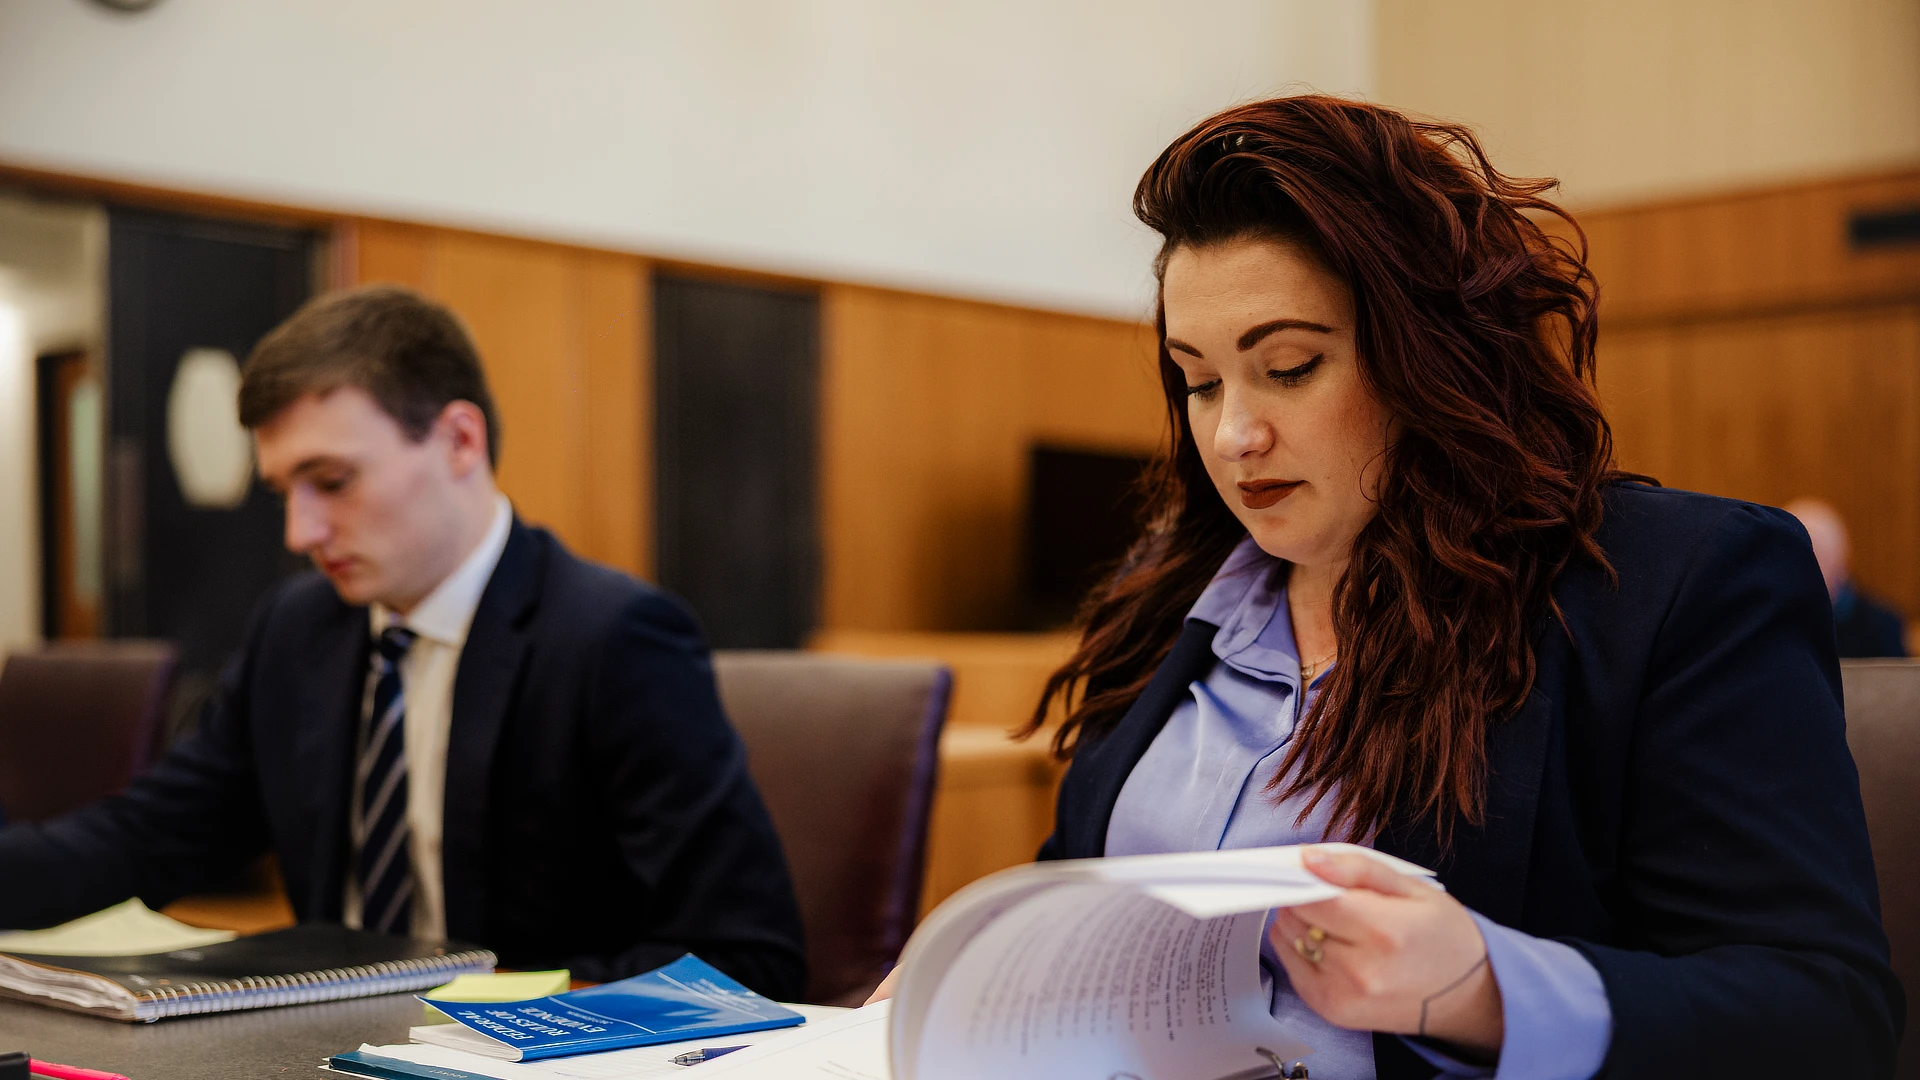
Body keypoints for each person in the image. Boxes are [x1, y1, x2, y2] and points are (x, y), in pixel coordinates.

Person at [875, 98, 1899, 1078]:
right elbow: (1084, 902)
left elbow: (1823, 1018)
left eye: (1288, 367)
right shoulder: (1164, 600)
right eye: (1198, 379)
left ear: (1431, 357)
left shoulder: (1673, 587)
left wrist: (1479, 992)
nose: (1234, 435)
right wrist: (972, 981)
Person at [0, 285, 806, 997]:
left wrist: (503, 1021)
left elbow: (746, 957)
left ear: (459, 441)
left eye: (333, 482)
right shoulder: (299, 628)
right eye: (284, 492)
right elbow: (149, 838)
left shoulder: (613, 638)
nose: (299, 531)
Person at [1786, 498, 1908, 658]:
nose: (1801, 569)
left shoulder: (1882, 626)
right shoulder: (1766, 621)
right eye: (1791, 559)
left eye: (1816, 557)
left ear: (1841, 563)